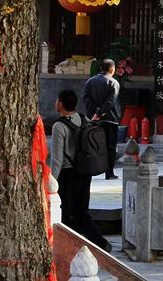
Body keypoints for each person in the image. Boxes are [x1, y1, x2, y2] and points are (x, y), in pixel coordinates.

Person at [50, 90, 112, 252]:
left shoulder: (59, 126)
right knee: (82, 210)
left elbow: (57, 159)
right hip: (84, 171)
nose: (56, 103)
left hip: (67, 174)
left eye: (57, 100)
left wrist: (52, 183)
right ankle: (100, 242)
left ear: (61, 103)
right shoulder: (83, 118)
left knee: (67, 212)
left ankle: (71, 245)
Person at [82, 58, 121, 179]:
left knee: (94, 145)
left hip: (94, 119)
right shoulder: (113, 83)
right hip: (110, 119)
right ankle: (109, 173)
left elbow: (86, 98)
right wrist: (100, 113)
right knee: (110, 146)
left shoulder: (90, 81)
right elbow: (111, 101)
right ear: (112, 69)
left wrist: (94, 113)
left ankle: (91, 170)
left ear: (100, 68)